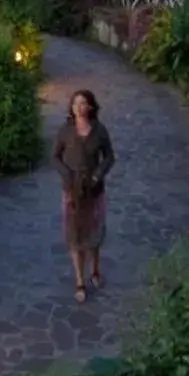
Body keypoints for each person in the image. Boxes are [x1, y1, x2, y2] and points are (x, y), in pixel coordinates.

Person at [52, 88, 115, 303]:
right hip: (72, 192)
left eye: (83, 103)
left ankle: (95, 270)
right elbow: (55, 157)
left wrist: (98, 175)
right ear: (71, 107)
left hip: (94, 190)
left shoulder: (99, 130)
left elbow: (109, 157)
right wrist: (67, 176)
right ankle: (79, 280)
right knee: (75, 236)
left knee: (94, 235)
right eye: (75, 103)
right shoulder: (65, 131)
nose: (79, 107)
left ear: (90, 106)